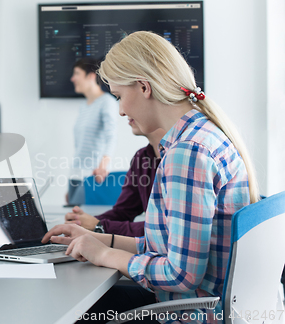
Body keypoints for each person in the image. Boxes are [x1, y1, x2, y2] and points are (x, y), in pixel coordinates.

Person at [43, 31, 259, 323]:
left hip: (190, 313)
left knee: (73, 310)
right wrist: (99, 240)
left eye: (119, 96)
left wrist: (105, 255)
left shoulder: (187, 153)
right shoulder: (202, 135)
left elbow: (180, 276)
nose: (120, 110)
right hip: (199, 304)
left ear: (144, 87)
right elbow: (167, 248)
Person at [65, 127, 165, 237]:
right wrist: (84, 222)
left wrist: (100, 225)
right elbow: (123, 212)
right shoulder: (141, 158)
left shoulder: (180, 155)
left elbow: (164, 229)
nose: (121, 112)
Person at [67, 58, 119, 206]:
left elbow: (111, 136)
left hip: (92, 176)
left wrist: (103, 166)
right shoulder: (84, 107)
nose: (72, 78)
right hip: (75, 175)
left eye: (77, 73)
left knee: (82, 222)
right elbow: (79, 146)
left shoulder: (107, 102)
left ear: (91, 76)